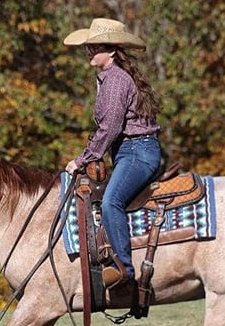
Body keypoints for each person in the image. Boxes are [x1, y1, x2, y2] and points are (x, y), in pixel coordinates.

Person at [64, 18, 162, 290]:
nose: (90, 52)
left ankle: (123, 269)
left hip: (137, 152)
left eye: (96, 47)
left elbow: (109, 129)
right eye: (89, 47)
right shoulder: (110, 78)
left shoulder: (116, 81)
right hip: (129, 151)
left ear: (112, 51)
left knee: (110, 202)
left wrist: (82, 160)